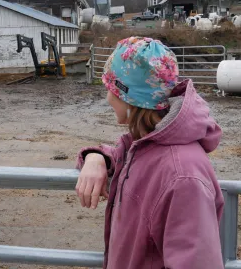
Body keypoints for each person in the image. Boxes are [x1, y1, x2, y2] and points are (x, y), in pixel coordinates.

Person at [74, 36, 224, 268]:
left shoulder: (183, 177)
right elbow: (132, 161)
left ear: (129, 97)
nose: (107, 97)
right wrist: (97, 158)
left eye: (111, 88)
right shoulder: (147, 145)